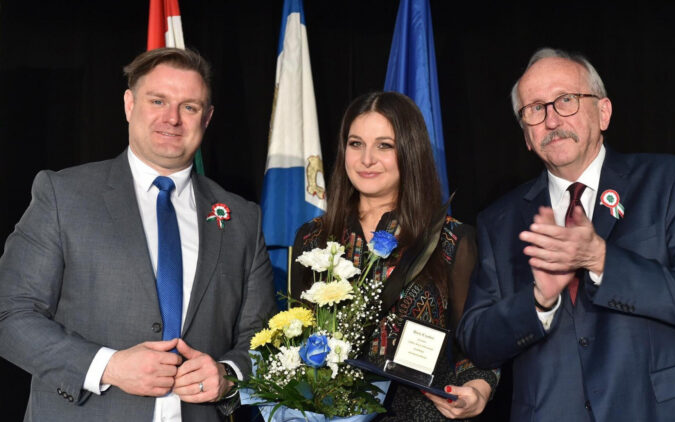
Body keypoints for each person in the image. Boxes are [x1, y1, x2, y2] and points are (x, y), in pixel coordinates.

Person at [0, 48, 277, 422]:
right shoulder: (64, 195)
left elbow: (264, 339)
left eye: (189, 107)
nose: (172, 118)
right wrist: (108, 365)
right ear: (129, 105)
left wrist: (229, 375)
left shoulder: (242, 218)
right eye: (158, 101)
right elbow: (9, 314)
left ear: (207, 117)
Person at [457, 47, 675, 421]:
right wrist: (538, 302)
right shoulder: (499, 220)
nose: (551, 119)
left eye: (566, 100)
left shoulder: (670, 181)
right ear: (526, 137)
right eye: (535, 108)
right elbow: (477, 340)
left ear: (603, 112)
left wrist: (601, 260)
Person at [290, 91, 498, 421]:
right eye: (356, 144)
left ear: (410, 151)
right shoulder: (313, 237)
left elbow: (475, 346)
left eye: (384, 145)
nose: (366, 159)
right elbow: (295, 336)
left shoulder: (451, 238)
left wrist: (477, 389)